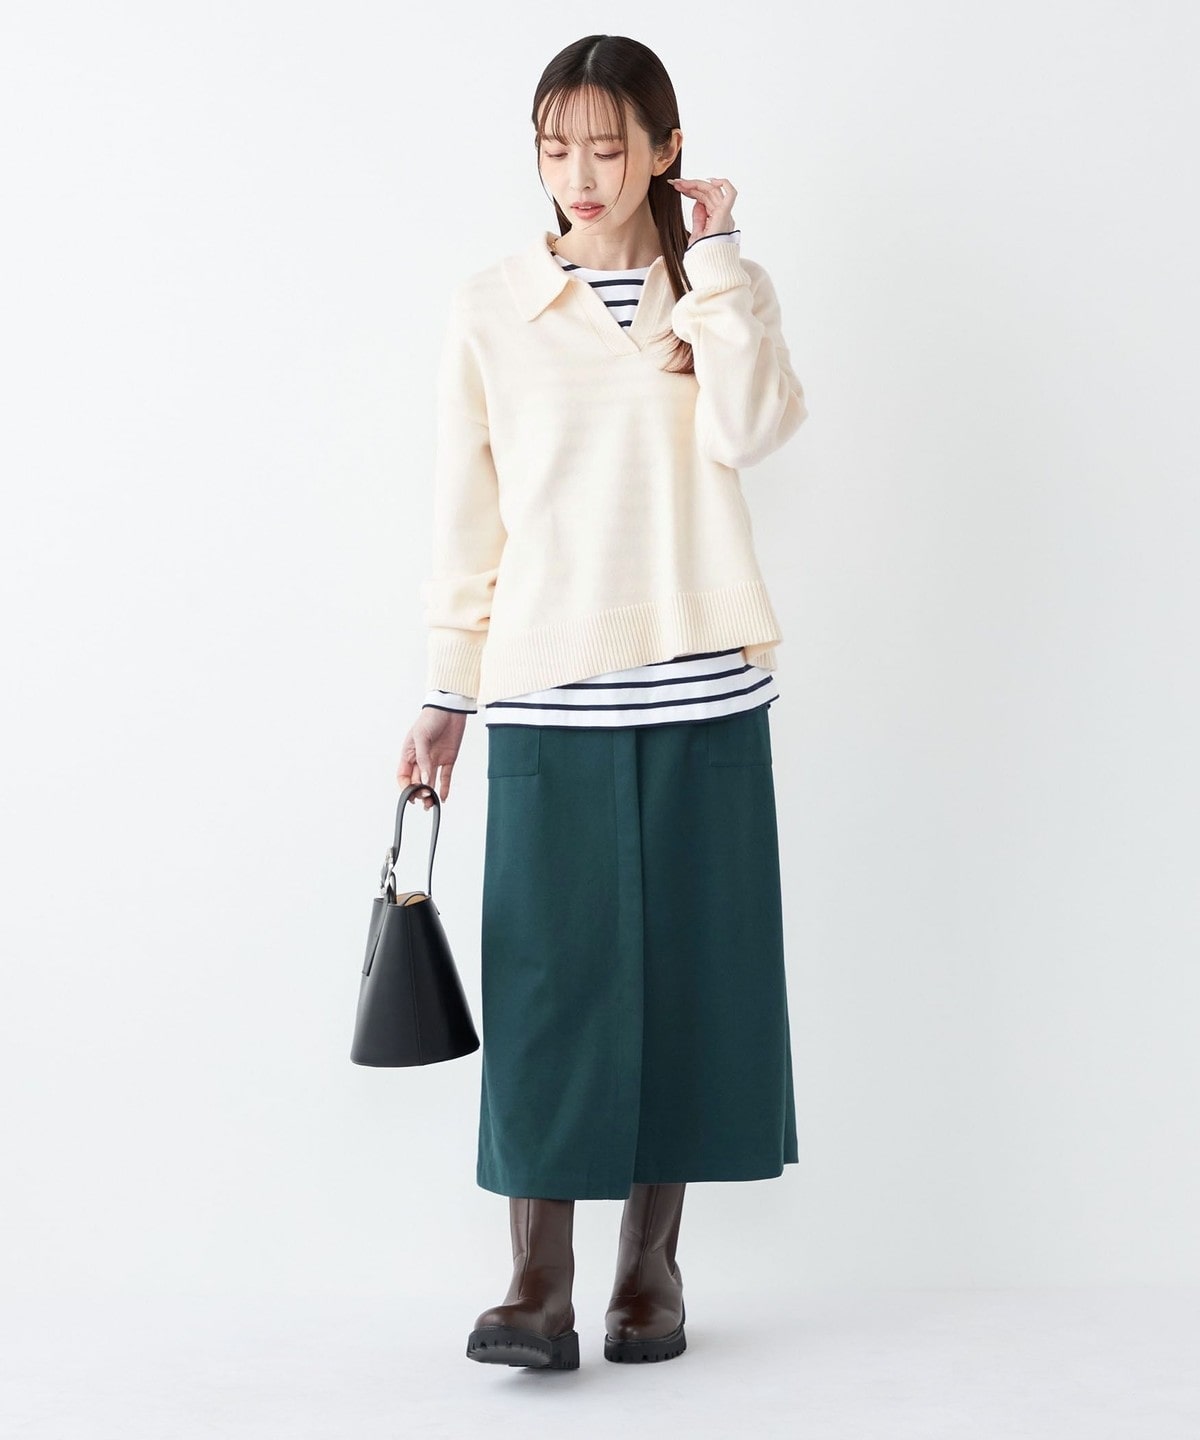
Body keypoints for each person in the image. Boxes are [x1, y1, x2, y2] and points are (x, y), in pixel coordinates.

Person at [397, 34, 809, 1371]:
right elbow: (467, 517)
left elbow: (754, 430)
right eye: (556, 146)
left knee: (688, 976)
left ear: (666, 148)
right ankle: (537, 1282)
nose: (580, 172)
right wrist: (446, 691)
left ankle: (650, 1272)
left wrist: (721, 264)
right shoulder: (495, 307)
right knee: (547, 985)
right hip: (548, 689)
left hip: (702, 683)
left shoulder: (715, 294)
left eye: (608, 144)